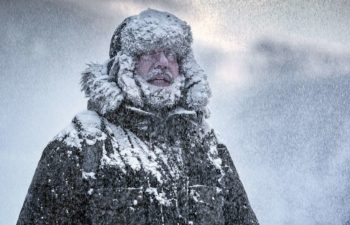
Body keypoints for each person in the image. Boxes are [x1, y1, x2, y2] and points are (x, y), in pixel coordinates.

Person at [17, 9, 259, 225]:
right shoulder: (80, 146)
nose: (163, 62)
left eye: (172, 54)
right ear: (125, 64)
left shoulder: (208, 149)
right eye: (149, 52)